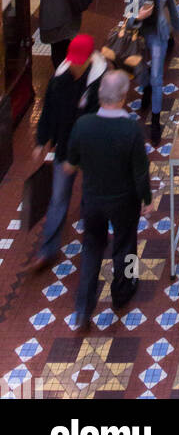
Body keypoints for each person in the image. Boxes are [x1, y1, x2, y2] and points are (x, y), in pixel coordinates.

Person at [65, 70, 154, 334]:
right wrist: (147, 199)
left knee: (91, 249)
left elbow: (70, 164)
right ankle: (123, 291)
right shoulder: (130, 129)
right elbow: (140, 171)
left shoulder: (83, 125)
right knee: (125, 246)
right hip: (124, 201)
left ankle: (83, 308)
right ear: (123, 95)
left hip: (92, 200)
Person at [27, 34, 107, 272]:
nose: (75, 65)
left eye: (79, 61)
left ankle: (94, 241)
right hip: (64, 147)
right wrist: (42, 140)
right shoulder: (59, 79)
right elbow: (49, 110)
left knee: (91, 198)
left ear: (89, 60)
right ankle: (47, 251)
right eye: (73, 60)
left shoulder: (99, 81)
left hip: (90, 150)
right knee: (58, 199)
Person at [128, 0, 179, 143]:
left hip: (159, 35)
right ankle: (146, 89)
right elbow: (128, 17)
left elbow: (172, 7)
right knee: (141, 70)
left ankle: (156, 120)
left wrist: (176, 27)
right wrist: (138, 16)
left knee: (157, 76)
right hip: (139, 36)